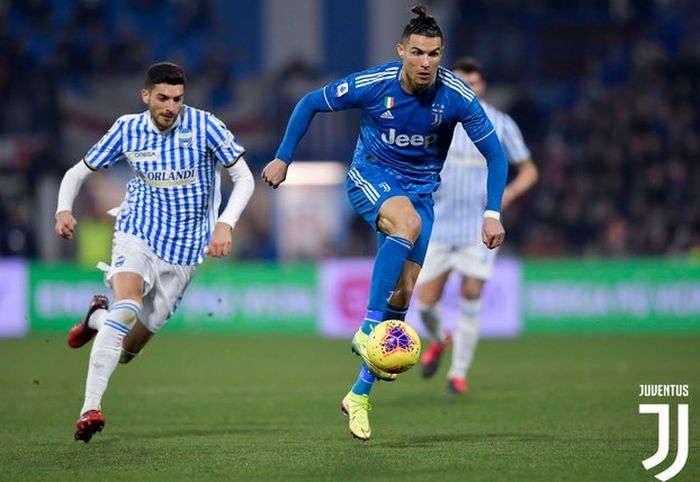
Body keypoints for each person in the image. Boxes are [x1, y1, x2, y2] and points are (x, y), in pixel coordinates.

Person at [262, 5, 508, 440]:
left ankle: (359, 395)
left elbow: (496, 154)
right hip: (370, 175)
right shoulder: (375, 83)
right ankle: (368, 327)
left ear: (442, 54)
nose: (426, 62)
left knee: (406, 291)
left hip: (421, 193)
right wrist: (284, 156)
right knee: (406, 224)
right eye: (417, 52)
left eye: (434, 54)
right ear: (401, 51)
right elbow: (309, 103)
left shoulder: (456, 95)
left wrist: (492, 212)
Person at [55, 62, 255, 442]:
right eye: (162, 98)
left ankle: (96, 319)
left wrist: (225, 222)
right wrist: (63, 208)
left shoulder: (206, 126)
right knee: (127, 304)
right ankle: (90, 409)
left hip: (185, 252)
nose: (170, 106)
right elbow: (77, 172)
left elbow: (243, 177)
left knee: (127, 350)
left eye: (177, 99)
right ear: (145, 96)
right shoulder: (127, 129)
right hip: (137, 232)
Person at [416, 57, 539, 394]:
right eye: (461, 81)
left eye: (474, 82)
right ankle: (441, 338)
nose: (468, 87)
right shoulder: (435, 118)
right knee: (425, 303)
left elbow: (529, 169)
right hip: (438, 226)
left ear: (483, 86)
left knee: (472, 293)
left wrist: (507, 196)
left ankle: (458, 373)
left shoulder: (500, 123)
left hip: (477, 229)